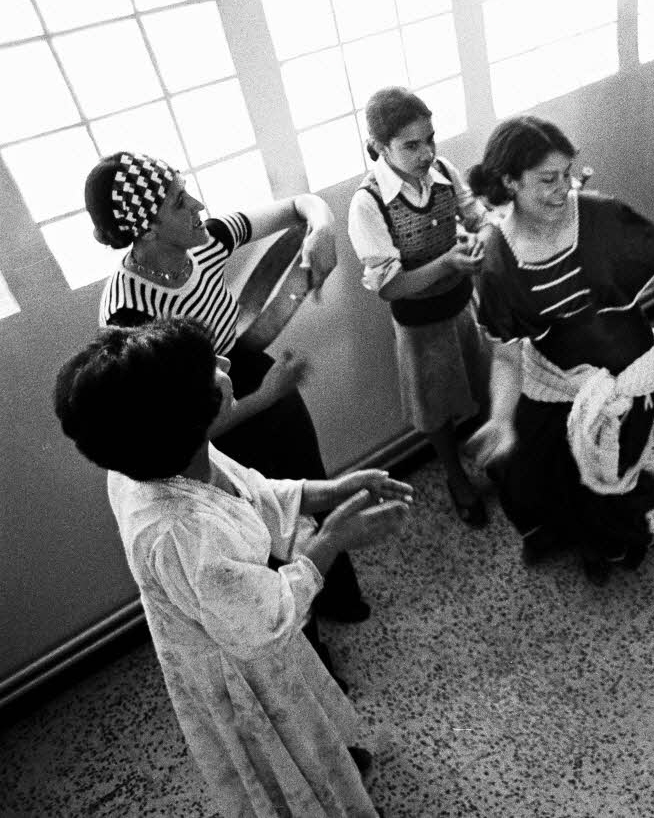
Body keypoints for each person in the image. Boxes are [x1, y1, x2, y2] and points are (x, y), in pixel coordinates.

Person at [53, 318, 415, 816]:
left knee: (310, 740)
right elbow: (264, 622)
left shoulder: (159, 458)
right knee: (285, 759)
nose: (225, 364)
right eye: (211, 371)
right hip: (241, 672)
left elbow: (255, 492)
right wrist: (334, 537)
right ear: (185, 416)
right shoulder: (181, 532)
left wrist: (337, 488)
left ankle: (329, 770)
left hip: (246, 632)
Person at [466, 116, 654, 584]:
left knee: (611, 471)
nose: (564, 189)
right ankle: (577, 536)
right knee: (545, 470)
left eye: (567, 174)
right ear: (509, 182)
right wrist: (502, 418)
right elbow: (506, 353)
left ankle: (612, 541)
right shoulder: (497, 260)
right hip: (557, 381)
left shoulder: (602, 216)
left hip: (631, 377)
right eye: (548, 179)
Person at [88, 152, 369, 638]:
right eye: (180, 202)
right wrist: (265, 395)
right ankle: (307, 645)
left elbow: (301, 205)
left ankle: (340, 593)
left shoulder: (207, 241)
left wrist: (321, 228)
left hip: (254, 376)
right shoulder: (129, 316)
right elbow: (179, 433)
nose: (198, 204)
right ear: (148, 229)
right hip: (213, 419)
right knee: (261, 533)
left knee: (308, 488)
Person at [348, 86, 492, 527]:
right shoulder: (368, 203)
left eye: (430, 138)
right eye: (411, 145)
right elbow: (390, 287)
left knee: (486, 382)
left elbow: (476, 216)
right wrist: (448, 261)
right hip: (419, 326)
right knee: (436, 408)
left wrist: (480, 234)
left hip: (463, 306)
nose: (427, 152)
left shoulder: (444, 170)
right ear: (378, 147)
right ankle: (454, 475)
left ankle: (494, 454)